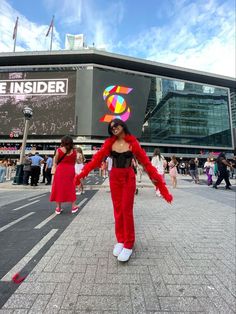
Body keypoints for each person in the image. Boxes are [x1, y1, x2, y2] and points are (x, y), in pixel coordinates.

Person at [74, 119, 173, 262]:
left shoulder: (133, 143)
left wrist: (159, 185)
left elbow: (146, 164)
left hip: (128, 178)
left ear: (122, 126)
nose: (114, 128)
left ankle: (129, 243)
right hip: (114, 178)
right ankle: (120, 240)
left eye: (116, 126)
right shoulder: (109, 144)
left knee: (127, 210)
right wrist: (81, 175)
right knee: (117, 209)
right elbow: (96, 161)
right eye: (111, 127)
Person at [50, 136, 78, 214]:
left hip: (60, 170)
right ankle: (73, 207)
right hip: (70, 170)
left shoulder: (59, 150)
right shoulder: (75, 151)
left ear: (62, 142)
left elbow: (55, 162)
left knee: (58, 187)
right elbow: (74, 162)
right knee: (71, 187)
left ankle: (58, 208)